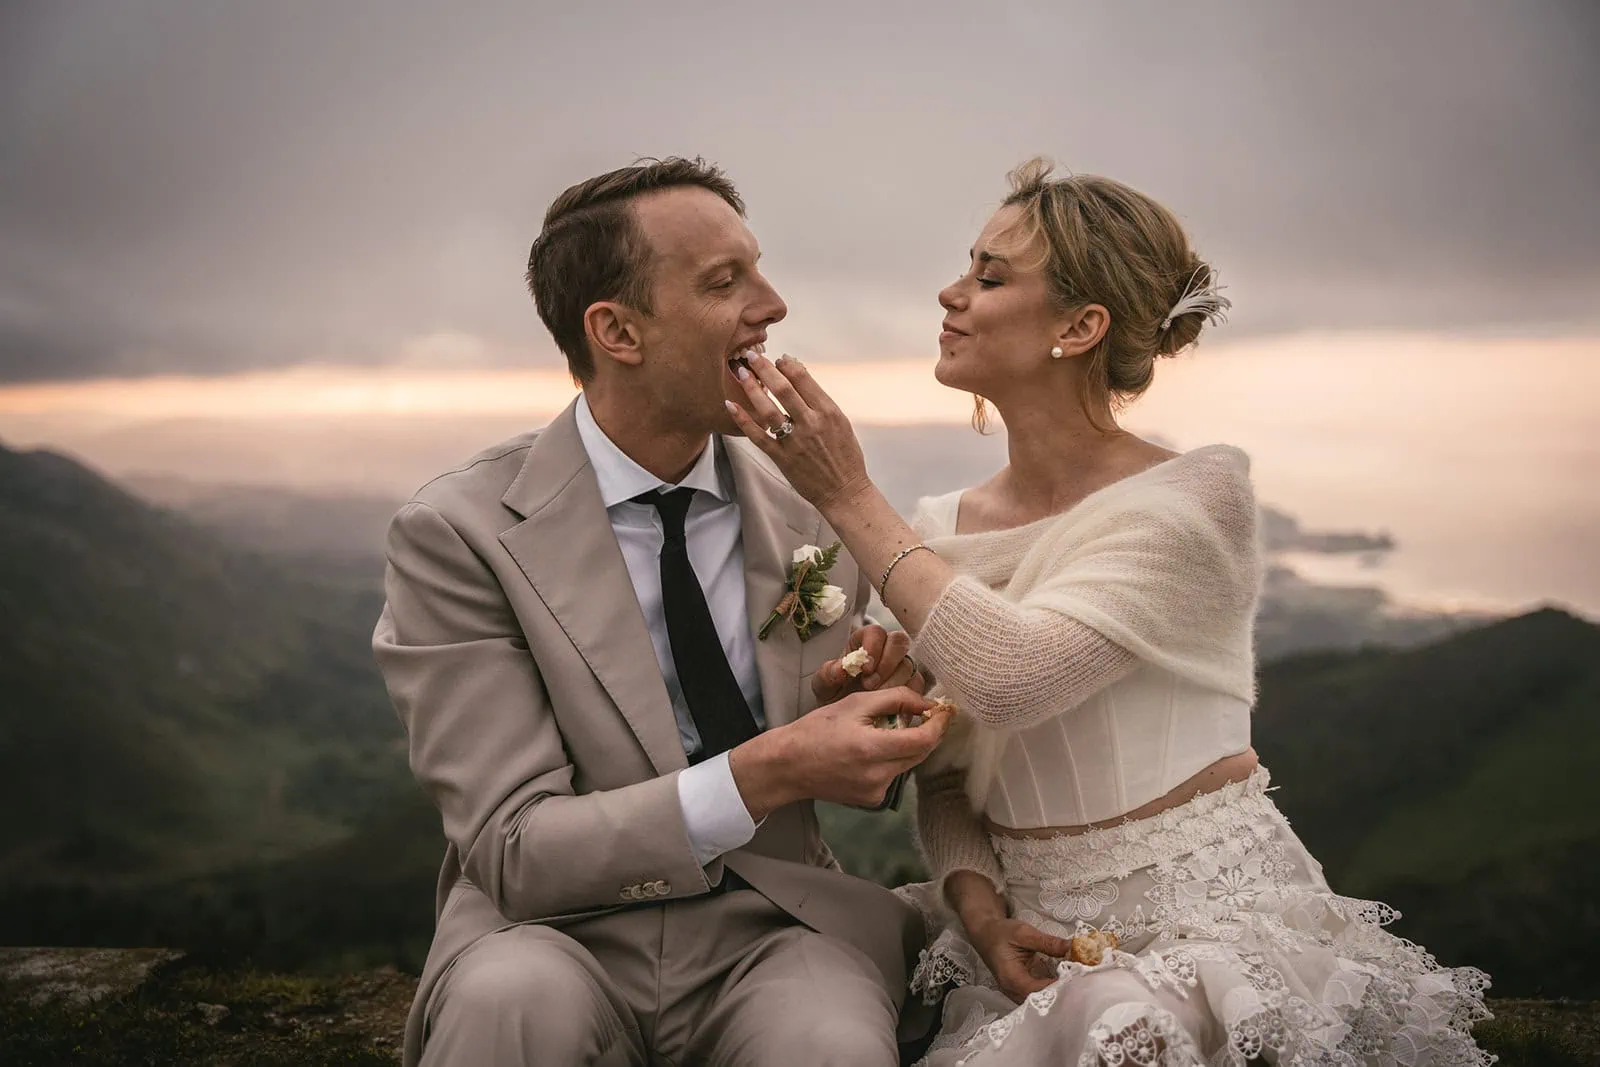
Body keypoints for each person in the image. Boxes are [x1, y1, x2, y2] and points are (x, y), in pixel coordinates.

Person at [723, 158, 1494, 1066]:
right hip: (1031, 946)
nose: (950, 291)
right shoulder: (936, 533)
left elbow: (1013, 674)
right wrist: (980, 912)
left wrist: (846, 491)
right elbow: (948, 783)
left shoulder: (1195, 496)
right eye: (966, 268)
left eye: (989, 276)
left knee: (1115, 1027)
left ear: (1082, 326)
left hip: (1205, 930)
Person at [372, 157, 954, 1067]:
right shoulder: (459, 531)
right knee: (508, 1004)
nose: (773, 304)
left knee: (832, 1045)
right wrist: (777, 762)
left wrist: (871, 708)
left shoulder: (810, 505)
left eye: (757, 269)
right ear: (617, 330)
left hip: (778, 926)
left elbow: (861, 773)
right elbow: (516, 851)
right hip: (550, 930)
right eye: (726, 282)